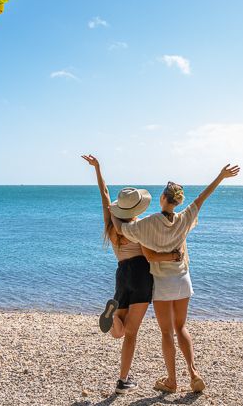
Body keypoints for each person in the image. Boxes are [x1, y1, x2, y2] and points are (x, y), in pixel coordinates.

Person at [113, 164, 240, 394]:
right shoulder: (184, 219)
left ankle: (172, 381)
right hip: (183, 280)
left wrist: (113, 212)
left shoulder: (147, 223)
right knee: (181, 328)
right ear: (178, 201)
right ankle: (193, 373)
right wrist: (221, 176)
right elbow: (202, 198)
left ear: (162, 198)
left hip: (162, 284)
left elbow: (123, 229)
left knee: (166, 332)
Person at [81, 155, 181, 395]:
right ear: (136, 209)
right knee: (131, 335)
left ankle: (115, 319)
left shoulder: (111, 226)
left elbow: (104, 194)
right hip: (141, 274)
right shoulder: (139, 226)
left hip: (122, 273)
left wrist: (97, 169)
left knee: (122, 330)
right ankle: (123, 379)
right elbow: (156, 243)